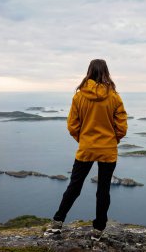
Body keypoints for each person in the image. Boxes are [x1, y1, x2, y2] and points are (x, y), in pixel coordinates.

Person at [46, 59, 128, 241]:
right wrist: (113, 140)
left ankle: (57, 222)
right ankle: (98, 230)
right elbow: (122, 126)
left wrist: (83, 140)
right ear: (106, 72)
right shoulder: (114, 97)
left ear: (89, 72)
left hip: (86, 148)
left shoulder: (79, 96)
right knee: (103, 190)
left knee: (74, 186)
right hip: (108, 150)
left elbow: (72, 125)